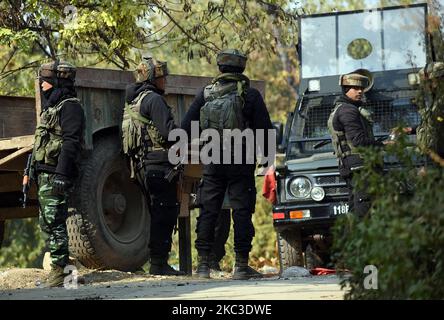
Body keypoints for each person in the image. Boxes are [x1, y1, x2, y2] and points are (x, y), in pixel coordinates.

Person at [181, 49, 273, 279]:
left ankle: (203, 265)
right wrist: (267, 161)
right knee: (242, 211)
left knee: (208, 210)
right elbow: (265, 131)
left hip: (212, 160)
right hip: (241, 160)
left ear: (220, 68)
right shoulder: (250, 95)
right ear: (242, 69)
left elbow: (185, 128)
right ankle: (241, 266)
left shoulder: (206, 94)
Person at [122, 57, 184, 276]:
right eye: (161, 77)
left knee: (156, 213)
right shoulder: (154, 100)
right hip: (159, 165)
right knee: (165, 214)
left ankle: (157, 261)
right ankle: (158, 263)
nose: (164, 80)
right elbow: (168, 133)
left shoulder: (134, 100)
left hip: (142, 166)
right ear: (151, 78)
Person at [34, 60, 85, 287]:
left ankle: (61, 274)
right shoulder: (52, 107)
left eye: (45, 81)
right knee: (47, 223)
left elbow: (71, 142)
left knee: (56, 224)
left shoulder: (70, 107)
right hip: (45, 172)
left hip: (56, 173)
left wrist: (62, 174)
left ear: (57, 81)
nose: (42, 85)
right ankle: (63, 271)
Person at [327, 71, 384, 217]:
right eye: (355, 88)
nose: (360, 91)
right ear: (346, 90)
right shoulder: (348, 110)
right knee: (363, 210)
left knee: (355, 207)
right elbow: (358, 141)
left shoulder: (344, 108)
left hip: (352, 165)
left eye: (361, 88)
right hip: (359, 166)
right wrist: (383, 144)